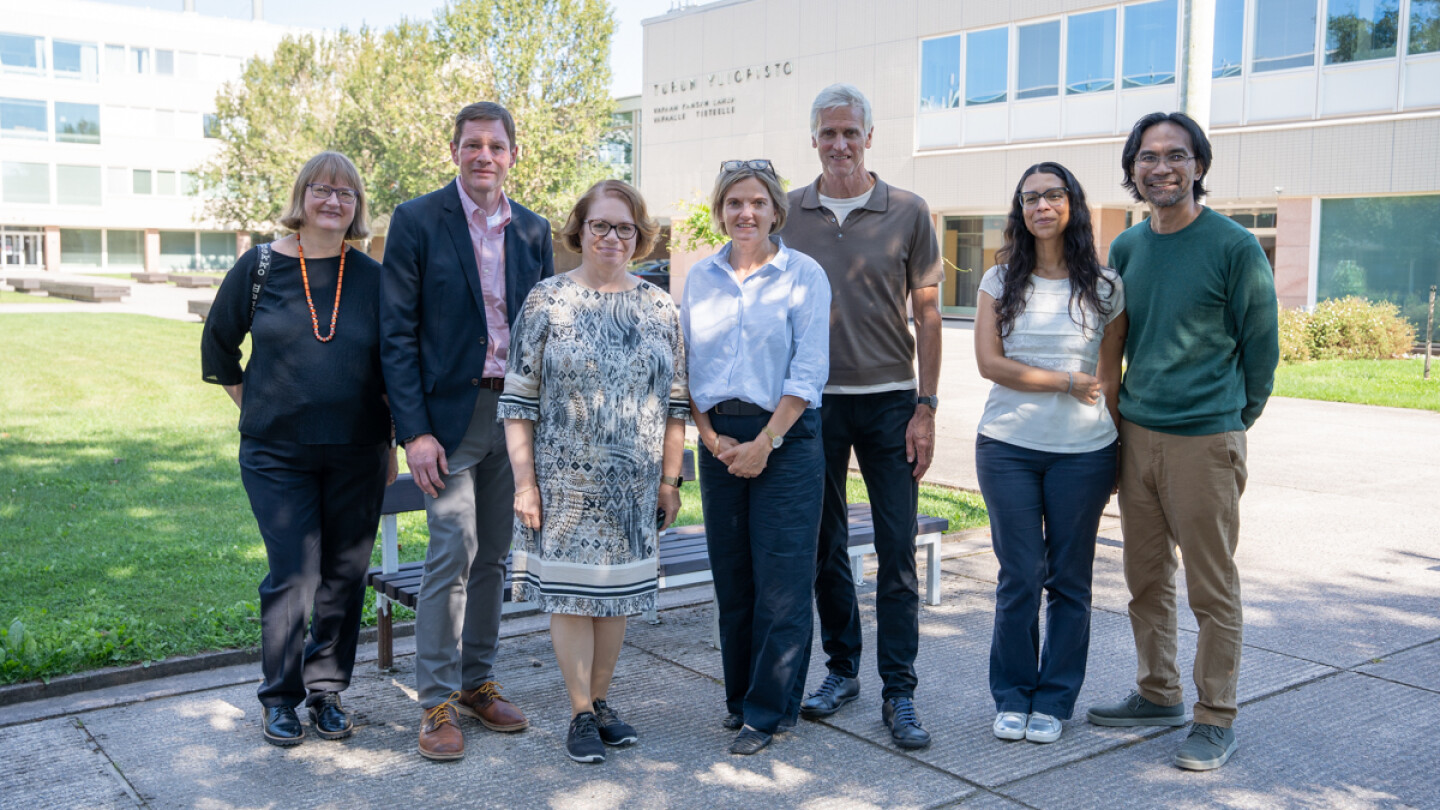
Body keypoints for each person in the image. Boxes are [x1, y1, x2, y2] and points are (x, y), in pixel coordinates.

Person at [1085, 112, 1279, 771]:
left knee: (1211, 586)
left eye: (1175, 154)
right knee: (1144, 578)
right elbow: (1116, 347)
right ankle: (1158, 691)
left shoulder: (1235, 246)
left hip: (1206, 441)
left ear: (1199, 165)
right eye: (1147, 156)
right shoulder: (1128, 250)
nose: (1161, 166)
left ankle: (1215, 717)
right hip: (1137, 435)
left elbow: (1261, 353)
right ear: (1132, 169)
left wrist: (1228, 422)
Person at [201, 151, 395, 746]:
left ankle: (327, 692)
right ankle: (280, 698)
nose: (334, 201)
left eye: (346, 193)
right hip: (276, 455)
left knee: (344, 575)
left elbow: (391, 368)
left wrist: (390, 443)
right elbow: (218, 348)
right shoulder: (258, 267)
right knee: (294, 574)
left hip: (357, 452)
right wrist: (259, 409)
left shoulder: (372, 277)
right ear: (301, 198)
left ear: (357, 206)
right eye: (322, 189)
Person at [380, 101, 554, 761]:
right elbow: (396, 335)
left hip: (513, 416)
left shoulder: (533, 231)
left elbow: (542, 336)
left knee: (494, 556)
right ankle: (434, 704)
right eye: (473, 144)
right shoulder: (418, 221)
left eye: (497, 145)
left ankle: (478, 681)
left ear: (514, 154)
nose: (485, 155)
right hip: (446, 422)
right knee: (452, 549)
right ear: (454, 150)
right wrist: (414, 432)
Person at [499, 180, 688, 764]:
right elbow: (518, 399)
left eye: (625, 227)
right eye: (601, 225)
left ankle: (602, 703)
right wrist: (525, 484)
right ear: (579, 230)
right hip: (564, 483)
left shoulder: (659, 305)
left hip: (634, 486)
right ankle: (580, 710)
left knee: (617, 597)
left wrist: (670, 480)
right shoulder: (546, 300)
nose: (612, 237)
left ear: (639, 236)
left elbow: (677, 401)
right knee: (573, 599)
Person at [780, 83, 943, 750]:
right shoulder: (786, 211)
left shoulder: (907, 210)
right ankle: (841, 670)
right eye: (828, 133)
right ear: (813, 138)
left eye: (851, 132)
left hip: (889, 405)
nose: (840, 143)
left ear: (869, 136)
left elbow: (928, 315)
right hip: (813, 404)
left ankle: (899, 691)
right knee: (825, 550)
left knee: (897, 551)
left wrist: (926, 407)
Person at [973, 163, 1126, 746]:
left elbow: (1109, 379)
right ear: (1021, 209)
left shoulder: (1106, 286)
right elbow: (990, 365)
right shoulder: (999, 280)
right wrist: (1064, 381)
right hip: (1008, 446)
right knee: (1020, 576)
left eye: (1052, 195)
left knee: (1069, 581)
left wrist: (1113, 447)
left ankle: (1055, 698)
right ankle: (1012, 694)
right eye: (1030, 197)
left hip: (1083, 453)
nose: (1041, 205)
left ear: (1072, 204)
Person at [682, 160, 831, 756]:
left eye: (757, 202)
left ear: (775, 210)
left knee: (783, 583)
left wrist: (766, 442)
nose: (746, 213)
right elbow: (686, 367)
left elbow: (809, 369)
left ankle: (769, 712)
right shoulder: (701, 278)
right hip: (718, 439)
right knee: (734, 580)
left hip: (786, 438)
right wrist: (711, 438)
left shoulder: (805, 275)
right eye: (735, 203)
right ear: (721, 211)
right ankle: (740, 699)